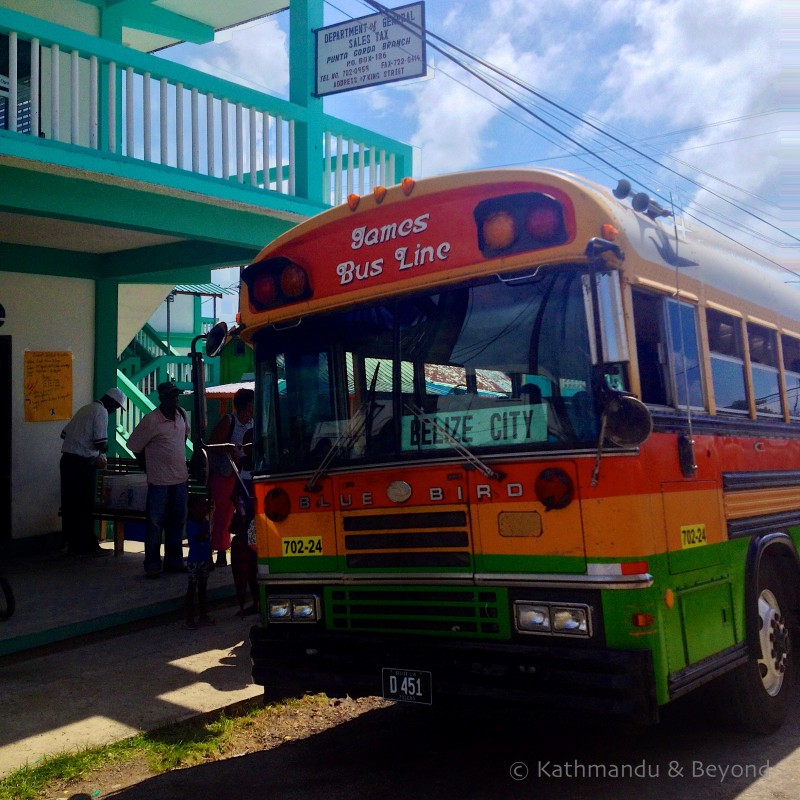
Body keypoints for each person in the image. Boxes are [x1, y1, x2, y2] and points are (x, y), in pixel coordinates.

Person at [127, 381, 190, 578]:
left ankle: (174, 561)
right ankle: (152, 563)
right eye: (171, 395)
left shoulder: (182, 416)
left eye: (176, 395)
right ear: (162, 398)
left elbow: (184, 437)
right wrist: (147, 466)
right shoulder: (151, 420)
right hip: (159, 482)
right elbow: (134, 446)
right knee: (155, 523)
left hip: (180, 479)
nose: (176, 398)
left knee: (177, 522)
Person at [60, 388, 125, 556]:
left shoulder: (86, 408)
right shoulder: (101, 412)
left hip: (67, 461)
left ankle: (71, 544)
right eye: (116, 408)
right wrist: (102, 454)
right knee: (84, 505)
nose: (113, 411)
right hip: (81, 465)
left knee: (70, 504)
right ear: (112, 403)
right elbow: (101, 443)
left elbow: (64, 433)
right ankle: (87, 546)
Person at [207, 388, 254, 567]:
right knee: (223, 513)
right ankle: (219, 551)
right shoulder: (229, 420)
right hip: (227, 472)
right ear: (248, 404)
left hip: (246, 473)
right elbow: (212, 445)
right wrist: (230, 449)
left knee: (247, 512)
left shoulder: (253, 423)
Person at [185, 494, 214, 629]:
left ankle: (203, 615)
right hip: (194, 560)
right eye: (201, 506)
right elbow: (200, 538)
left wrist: (210, 559)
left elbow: (208, 543)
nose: (204, 508)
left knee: (203, 588)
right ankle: (189, 618)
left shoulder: (206, 523)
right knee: (192, 588)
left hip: (204, 559)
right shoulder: (192, 524)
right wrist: (203, 523)